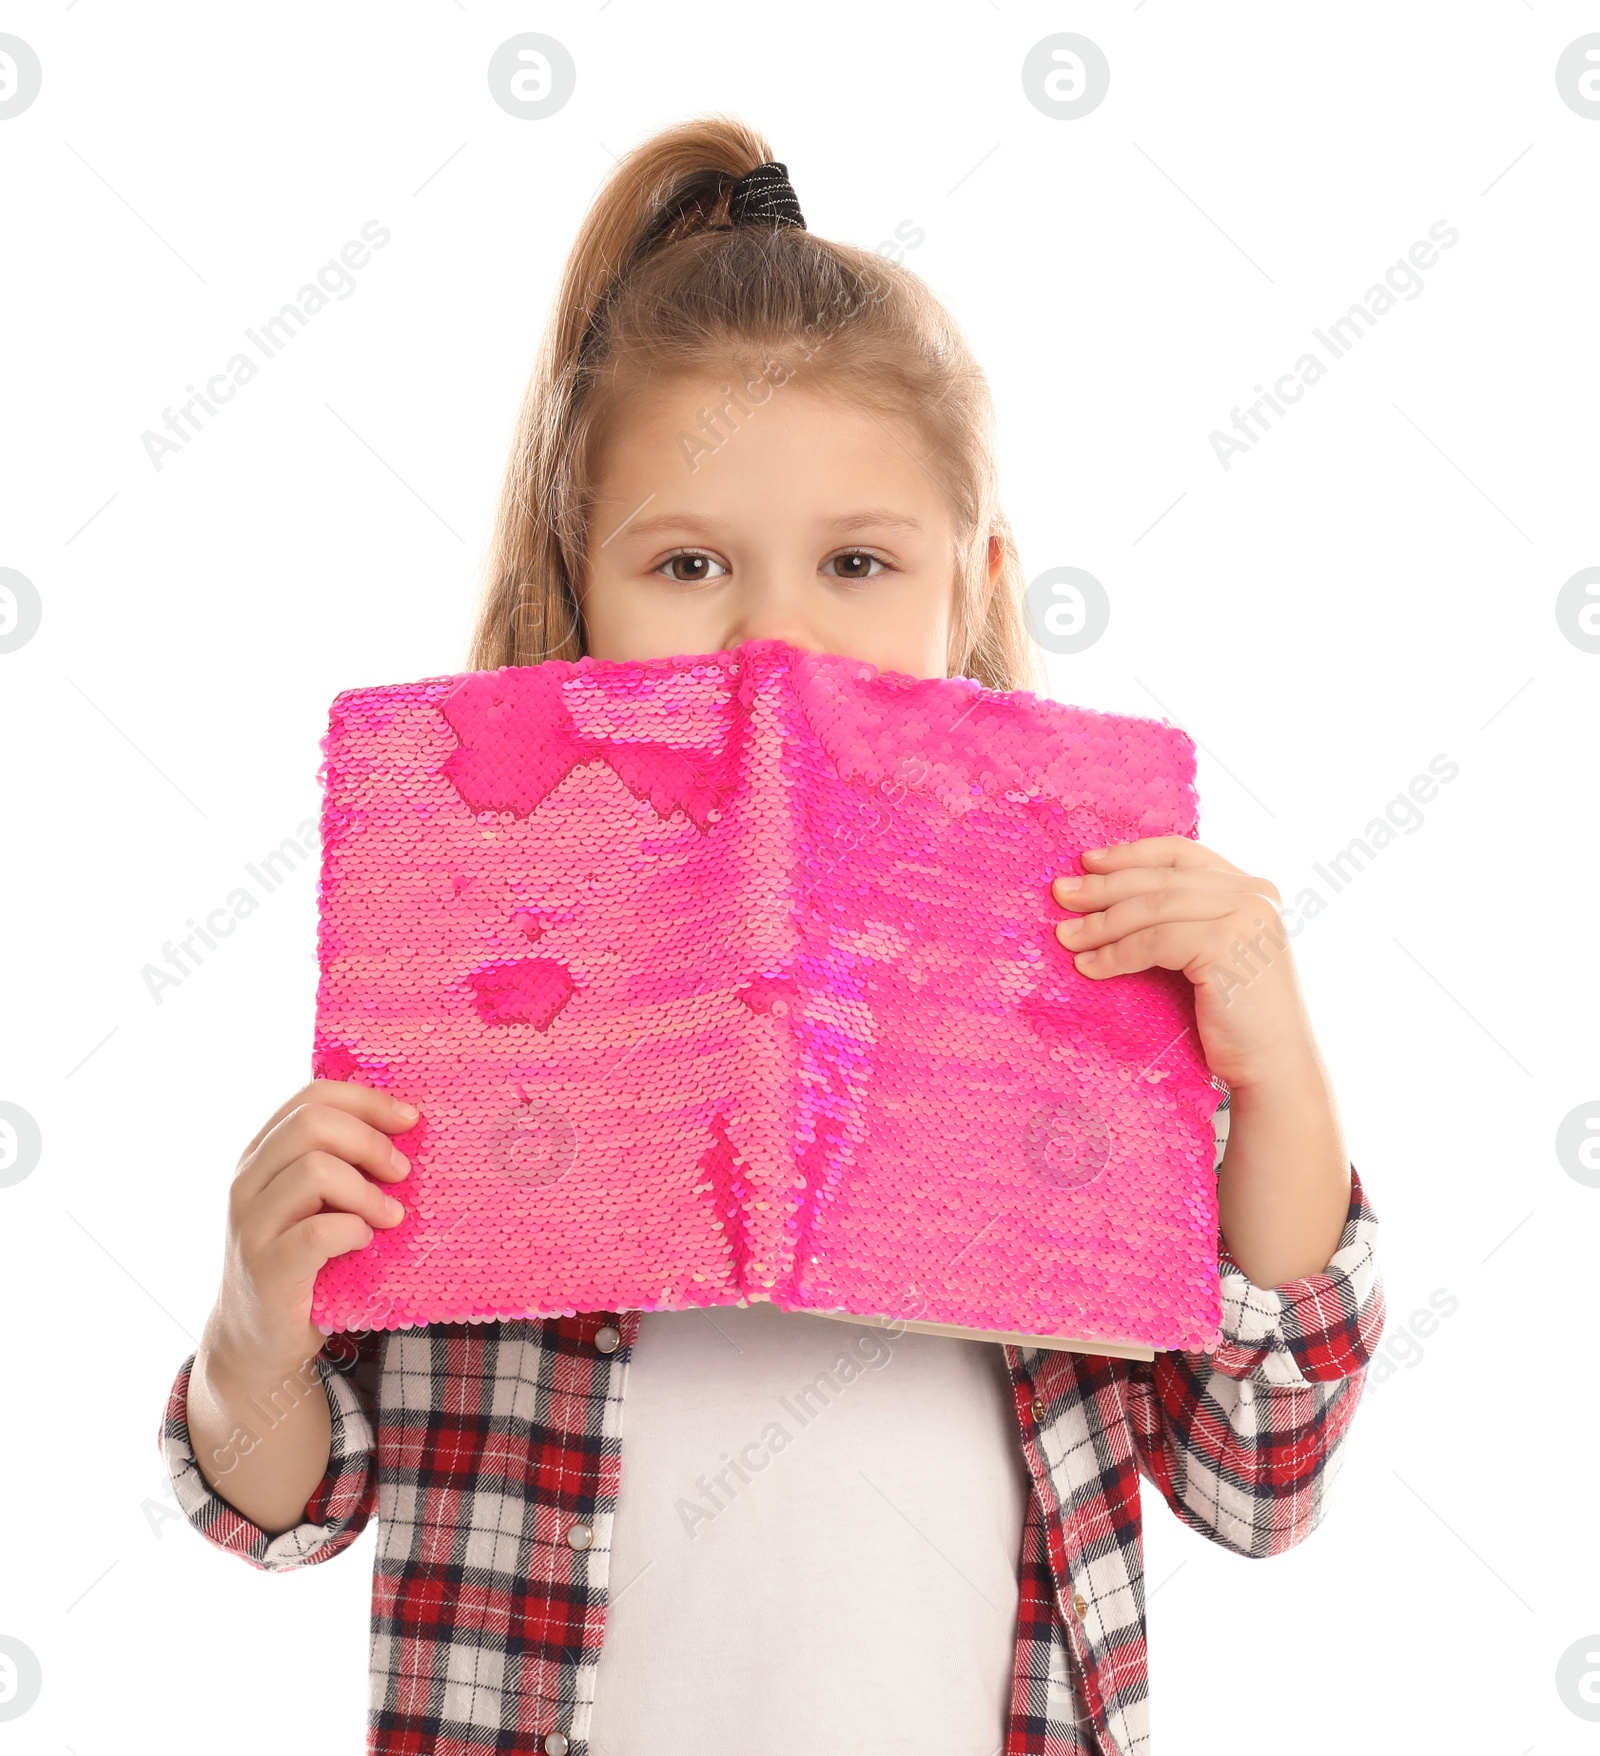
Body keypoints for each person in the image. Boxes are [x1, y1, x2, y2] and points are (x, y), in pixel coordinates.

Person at [157, 115, 1385, 1756]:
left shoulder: (1084, 976)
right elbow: (285, 1511)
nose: (775, 632)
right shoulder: (479, 970)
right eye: (687, 563)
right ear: (578, 587)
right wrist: (254, 1326)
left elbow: (1259, 1481)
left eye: (859, 562)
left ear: (973, 585)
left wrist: (1280, 1075)